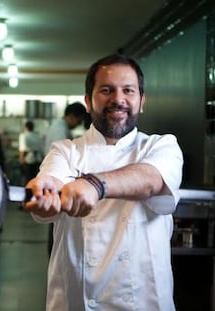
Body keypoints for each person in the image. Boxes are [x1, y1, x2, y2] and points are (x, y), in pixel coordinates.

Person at [24, 54, 184, 310]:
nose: (118, 100)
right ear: (88, 101)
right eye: (106, 90)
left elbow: (150, 179)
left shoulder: (161, 145)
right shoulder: (66, 150)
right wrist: (43, 196)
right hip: (76, 301)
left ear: (142, 101)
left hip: (144, 302)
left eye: (128, 91)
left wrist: (95, 185)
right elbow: (50, 181)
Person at [43, 101, 87, 255]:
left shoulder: (58, 126)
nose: (78, 124)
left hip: (56, 178)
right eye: (79, 120)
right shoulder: (60, 130)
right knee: (56, 220)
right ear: (72, 116)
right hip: (56, 178)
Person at [18, 120, 44, 184]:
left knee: (28, 179)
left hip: (28, 159)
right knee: (36, 179)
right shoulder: (38, 135)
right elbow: (41, 148)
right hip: (38, 159)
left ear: (26, 127)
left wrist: (21, 160)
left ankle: (28, 192)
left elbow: (22, 149)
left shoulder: (24, 135)